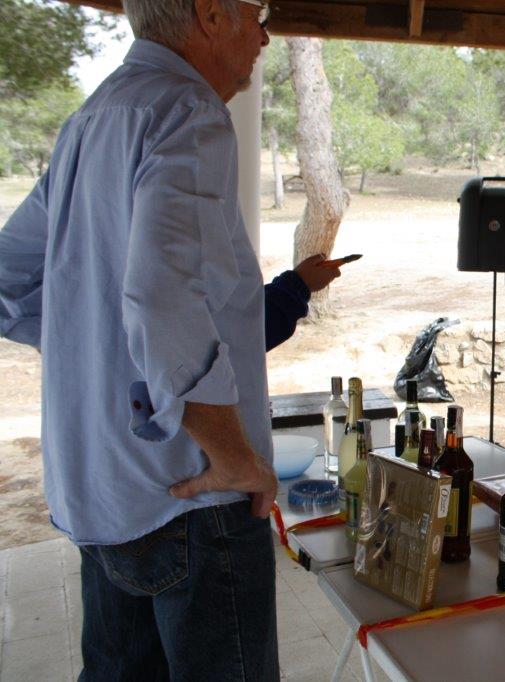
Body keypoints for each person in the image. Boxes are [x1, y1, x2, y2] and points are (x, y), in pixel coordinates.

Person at [0, 0, 282, 678]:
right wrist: (234, 457)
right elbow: (163, 297)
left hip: (103, 484)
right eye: (257, 12)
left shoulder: (92, 118)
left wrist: (92, 342)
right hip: (191, 493)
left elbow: (9, 276)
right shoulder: (187, 110)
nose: (266, 34)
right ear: (210, 15)